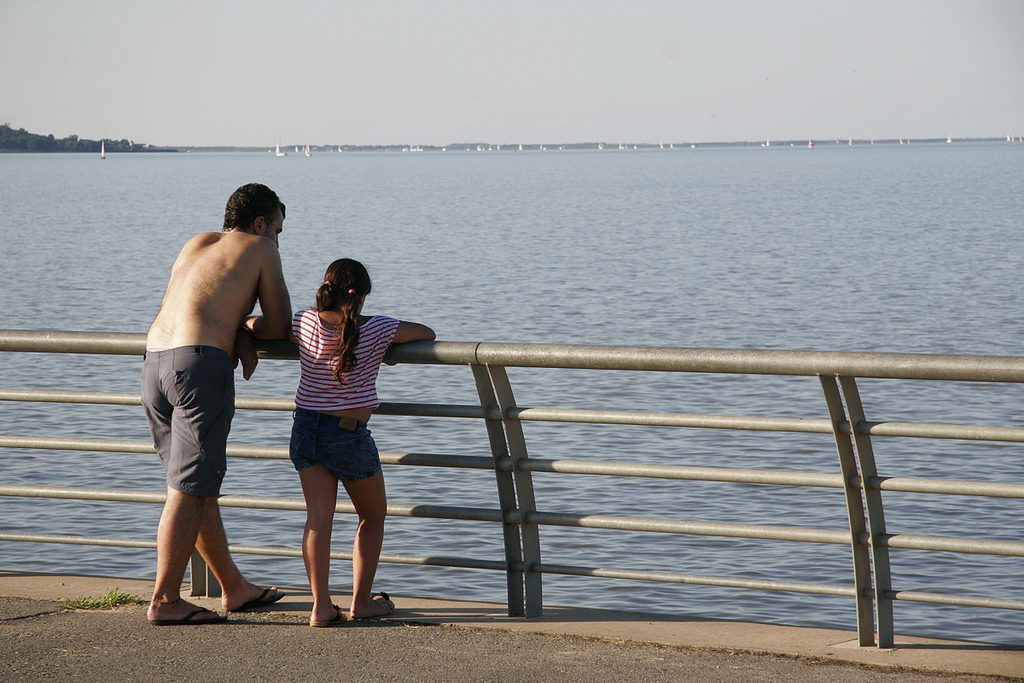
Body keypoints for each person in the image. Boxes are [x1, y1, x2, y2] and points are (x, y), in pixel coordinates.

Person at [141, 183, 292, 625]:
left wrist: (234, 325)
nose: (277, 240)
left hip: (155, 364)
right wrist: (245, 325)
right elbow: (281, 324)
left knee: (194, 485)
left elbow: (195, 304)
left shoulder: (197, 242)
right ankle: (166, 600)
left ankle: (233, 587)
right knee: (188, 489)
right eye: (278, 230)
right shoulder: (261, 248)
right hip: (200, 368)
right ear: (260, 223)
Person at [289, 257, 435, 627]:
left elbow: (262, 325)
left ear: (326, 286)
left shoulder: (304, 321)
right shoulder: (378, 329)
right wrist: (385, 352)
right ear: (363, 295)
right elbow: (426, 332)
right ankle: (360, 602)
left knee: (318, 519)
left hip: (305, 427)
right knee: (372, 516)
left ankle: (321, 606)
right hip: (348, 434)